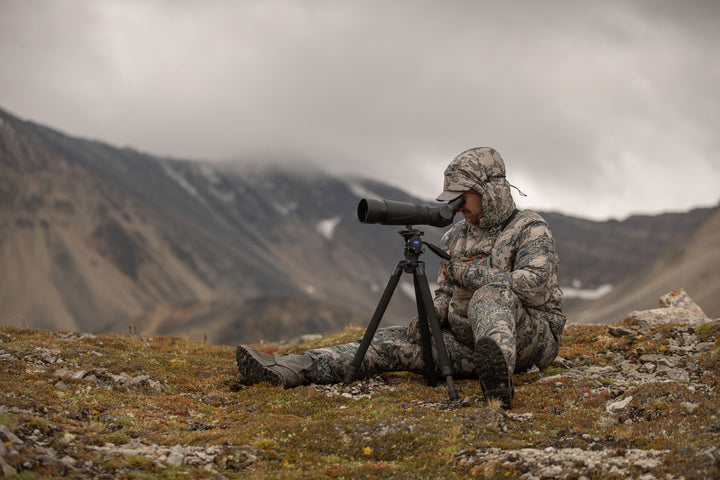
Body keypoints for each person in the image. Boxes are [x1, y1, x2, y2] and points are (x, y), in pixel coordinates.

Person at [236, 147, 566, 409]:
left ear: (489, 191)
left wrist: (471, 274)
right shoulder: (455, 237)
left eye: (463, 195)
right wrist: (434, 316)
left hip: (529, 341)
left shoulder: (530, 229)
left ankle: (498, 387)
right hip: (467, 343)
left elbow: (534, 286)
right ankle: (293, 368)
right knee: (395, 341)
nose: (457, 204)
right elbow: (446, 293)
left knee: (491, 296)